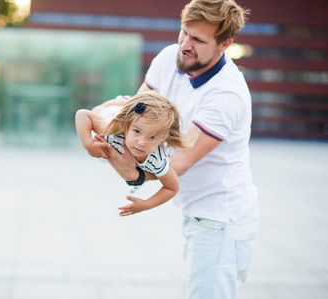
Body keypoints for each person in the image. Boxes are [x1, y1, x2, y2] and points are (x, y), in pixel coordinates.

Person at [96, 0, 259, 298]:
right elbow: (136, 112)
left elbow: (180, 163)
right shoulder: (169, 57)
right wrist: (96, 120)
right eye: (184, 32)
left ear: (225, 44)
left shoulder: (227, 94)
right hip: (197, 210)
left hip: (220, 218)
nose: (185, 44)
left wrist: (132, 175)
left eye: (198, 40)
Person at [75, 91, 192, 216]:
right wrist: (88, 144)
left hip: (131, 121)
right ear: (127, 126)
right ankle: (124, 101)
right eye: (137, 132)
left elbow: (172, 187)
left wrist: (146, 204)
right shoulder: (112, 130)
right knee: (98, 110)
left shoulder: (158, 160)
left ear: (163, 139)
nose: (142, 142)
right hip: (114, 113)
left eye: (152, 138)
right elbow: (82, 115)